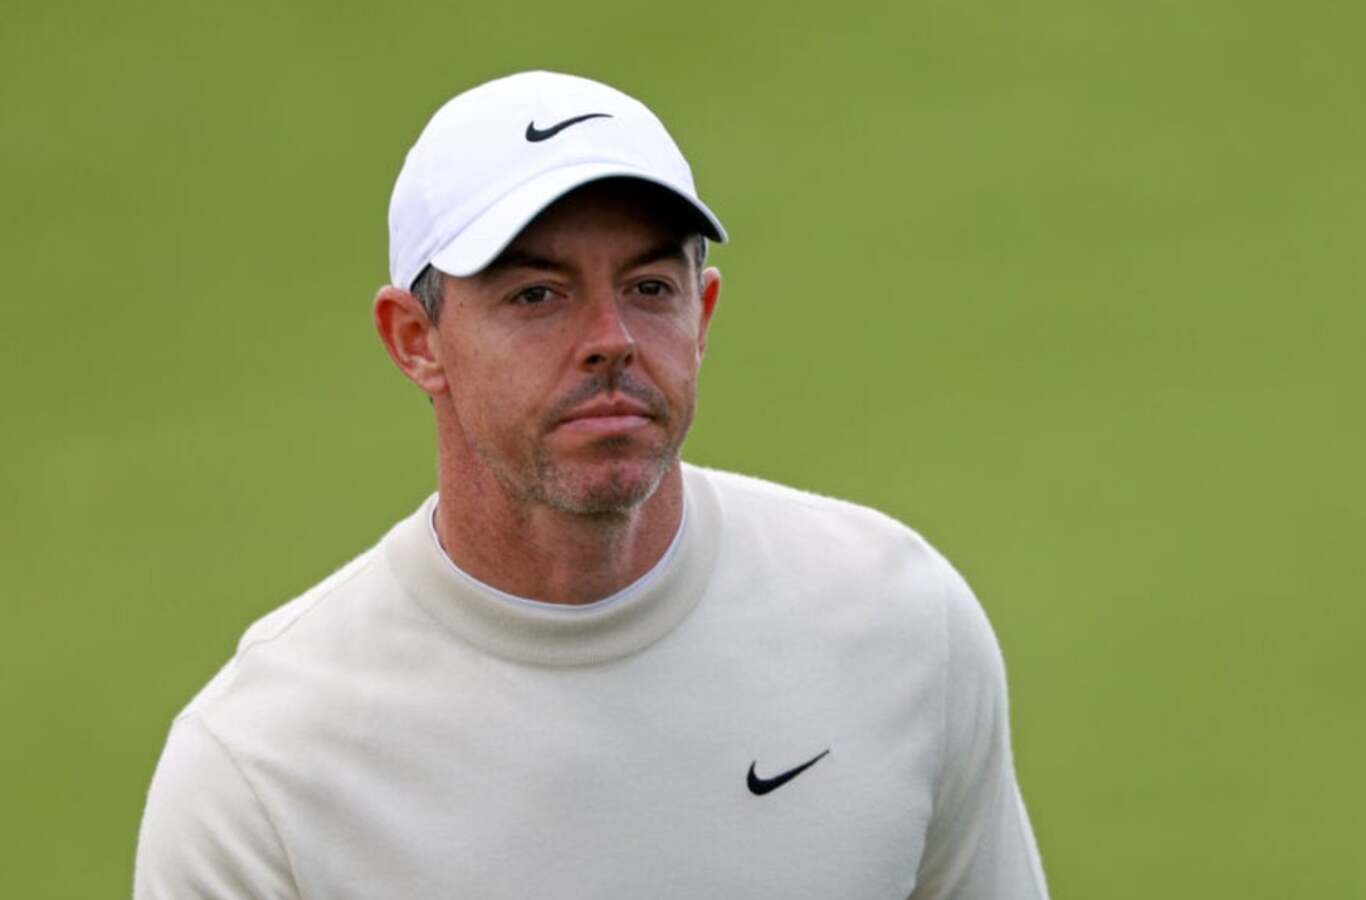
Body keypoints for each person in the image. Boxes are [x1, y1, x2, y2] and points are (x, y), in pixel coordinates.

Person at [134, 71, 1049, 899]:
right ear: (415, 340)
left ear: (703, 316)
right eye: (537, 294)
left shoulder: (901, 625)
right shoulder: (261, 769)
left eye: (650, 288)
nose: (611, 338)